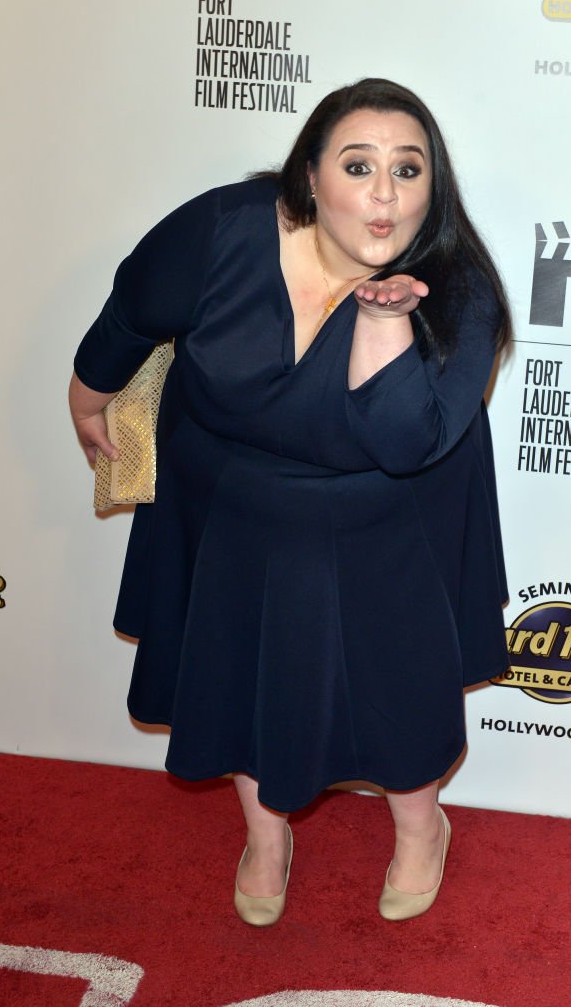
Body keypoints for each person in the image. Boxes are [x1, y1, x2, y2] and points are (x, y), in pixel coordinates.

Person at [69, 78, 511, 926]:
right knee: (239, 671)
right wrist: (88, 397)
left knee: (397, 681)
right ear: (310, 175)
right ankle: (265, 839)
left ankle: (422, 828)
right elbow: (133, 310)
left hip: (389, 515)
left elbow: (404, 444)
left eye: (409, 170)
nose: (385, 193)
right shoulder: (223, 230)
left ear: (435, 187)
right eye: (359, 164)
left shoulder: (458, 293)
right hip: (230, 503)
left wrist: (382, 330)